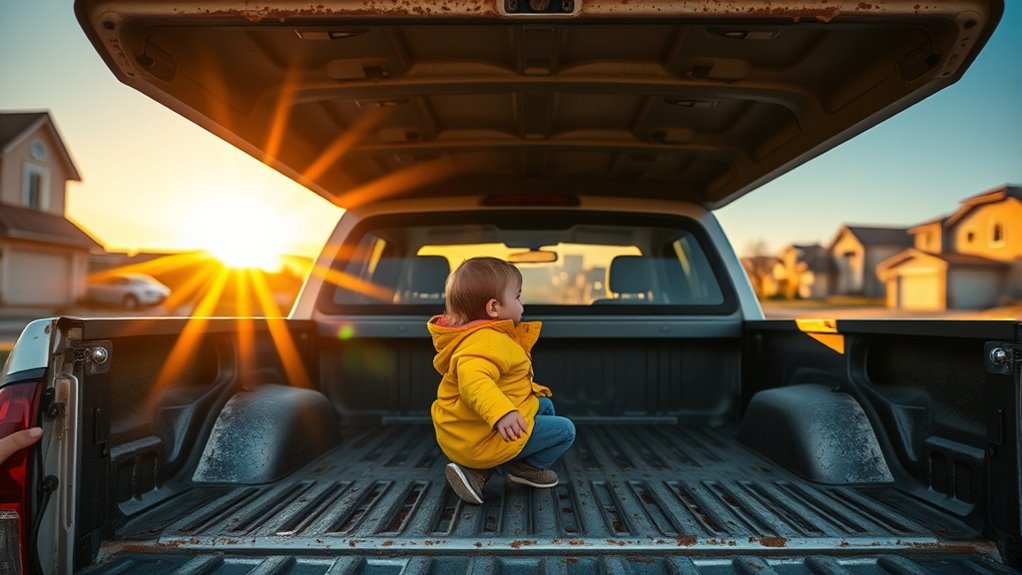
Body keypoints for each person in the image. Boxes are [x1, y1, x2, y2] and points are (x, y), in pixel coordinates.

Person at [428, 257, 576, 505]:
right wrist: (501, 413)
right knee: (565, 431)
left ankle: (509, 467)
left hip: (469, 427)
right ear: (494, 308)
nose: (522, 303)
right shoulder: (485, 341)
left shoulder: (486, 335)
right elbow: (474, 381)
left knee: (546, 407)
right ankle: (484, 472)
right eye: (517, 296)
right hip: (477, 437)